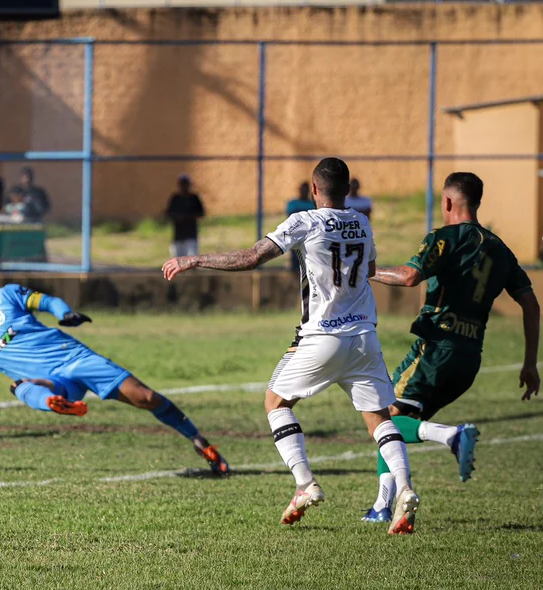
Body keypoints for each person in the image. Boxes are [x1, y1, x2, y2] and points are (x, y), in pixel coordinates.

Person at [162, 157, 420, 535]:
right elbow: (367, 272)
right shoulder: (362, 222)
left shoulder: (304, 220)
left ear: (313, 189)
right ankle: (406, 488)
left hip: (322, 336)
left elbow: (252, 257)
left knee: (275, 402)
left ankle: (305, 484)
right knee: (380, 418)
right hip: (364, 337)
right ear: (348, 190)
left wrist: (194, 258)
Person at [0, 272, 231, 476]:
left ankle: (200, 441)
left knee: (148, 399)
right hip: (51, 381)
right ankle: (57, 403)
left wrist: (64, 313)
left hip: (78, 359)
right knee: (22, 385)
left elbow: (46, 301)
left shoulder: (8, 296)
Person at [359, 172, 539, 524]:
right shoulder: (500, 249)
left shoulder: (445, 237)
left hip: (435, 348)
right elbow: (532, 305)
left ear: (447, 202)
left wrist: (365, 270)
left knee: (382, 418)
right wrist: (530, 363)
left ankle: (451, 436)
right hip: (470, 358)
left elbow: (410, 277)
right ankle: (383, 506)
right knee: (396, 417)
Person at [165, 174, 205, 257]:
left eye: (185, 184)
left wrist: (189, 216)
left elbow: (201, 213)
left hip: (191, 233)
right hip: (178, 234)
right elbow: (168, 213)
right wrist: (178, 217)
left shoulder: (193, 198)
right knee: (177, 259)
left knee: (191, 258)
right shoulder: (175, 199)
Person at [285, 182, 316, 272]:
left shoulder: (312, 204)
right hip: (296, 234)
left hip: (309, 235)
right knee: (295, 256)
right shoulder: (293, 203)